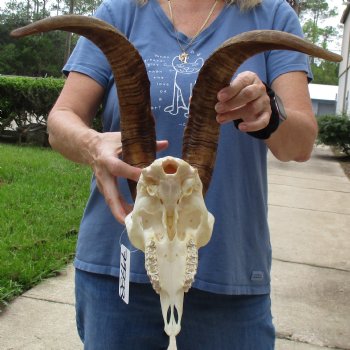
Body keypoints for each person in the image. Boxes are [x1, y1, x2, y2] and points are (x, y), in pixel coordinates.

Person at [47, 0, 316, 348]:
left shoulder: (272, 14)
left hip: (228, 268)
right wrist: (91, 144)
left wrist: (270, 115)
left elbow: (300, 144)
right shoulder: (121, 10)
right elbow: (61, 120)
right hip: (119, 265)